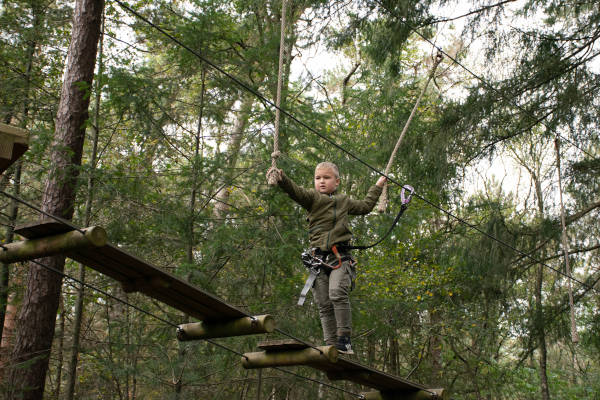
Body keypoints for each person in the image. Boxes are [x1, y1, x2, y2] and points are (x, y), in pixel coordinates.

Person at [267, 162, 386, 354]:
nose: (321, 181)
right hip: (318, 260)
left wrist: (378, 186)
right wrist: (282, 179)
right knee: (323, 303)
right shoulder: (312, 198)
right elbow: (295, 191)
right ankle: (330, 345)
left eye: (327, 178)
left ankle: (344, 339)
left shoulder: (344, 201)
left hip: (340, 257)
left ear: (337, 182)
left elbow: (365, 206)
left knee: (337, 293)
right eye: (318, 178)